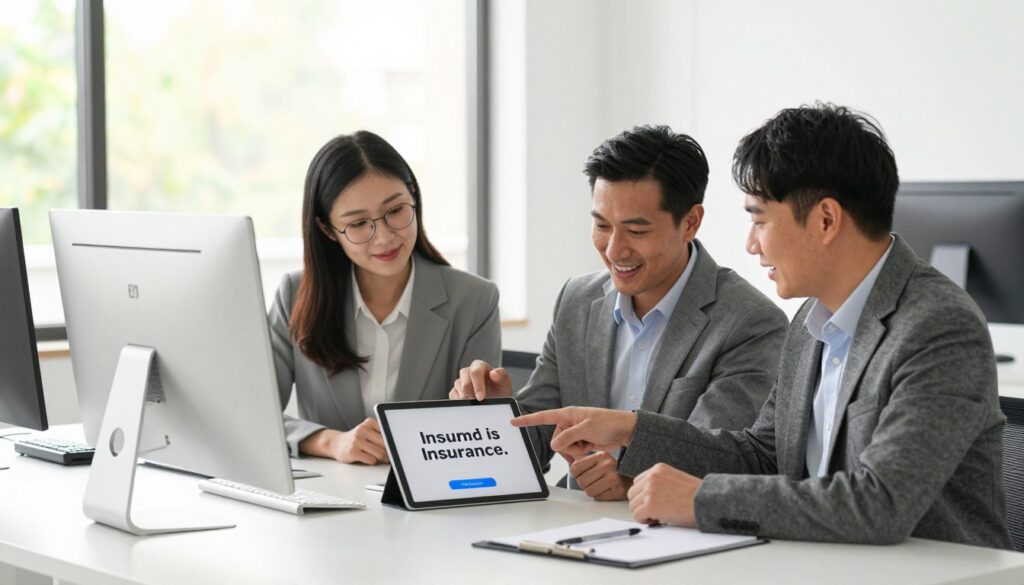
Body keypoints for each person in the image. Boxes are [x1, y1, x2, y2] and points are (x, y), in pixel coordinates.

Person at [512, 104, 1012, 548]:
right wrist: (631, 429)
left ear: (825, 220)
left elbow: (879, 503)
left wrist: (701, 497)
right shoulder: (812, 324)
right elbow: (760, 454)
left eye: (760, 220)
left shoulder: (937, 327)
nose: (751, 245)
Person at [451, 125, 787, 500]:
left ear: (690, 221)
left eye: (636, 231)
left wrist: (630, 480)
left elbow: (724, 458)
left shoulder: (750, 322)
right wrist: (492, 415)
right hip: (575, 531)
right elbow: (540, 434)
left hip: (680, 537)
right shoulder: (577, 300)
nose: (614, 250)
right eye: (601, 226)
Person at [270, 131, 501, 464]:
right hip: (326, 497)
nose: (384, 237)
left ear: (414, 198)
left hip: (431, 499)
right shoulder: (294, 295)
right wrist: (331, 442)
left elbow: (482, 433)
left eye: (395, 210)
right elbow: (253, 417)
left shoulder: (475, 300)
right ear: (327, 229)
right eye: (359, 223)